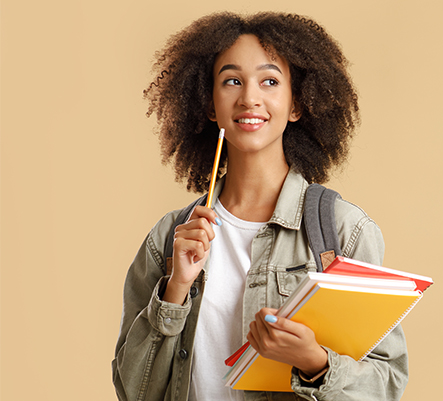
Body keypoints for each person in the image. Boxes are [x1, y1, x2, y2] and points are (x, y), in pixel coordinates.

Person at [112, 12, 408, 401]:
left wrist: (315, 362)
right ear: (210, 105)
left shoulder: (342, 230)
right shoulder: (168, 239)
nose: (250, 97)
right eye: (232, 81)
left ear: (297, 104)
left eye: (270, 81)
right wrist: (176, 287)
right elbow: (134, 392)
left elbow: (386, 385)